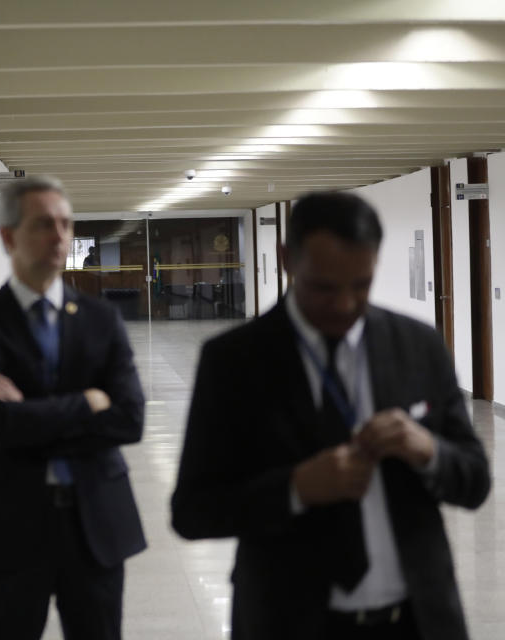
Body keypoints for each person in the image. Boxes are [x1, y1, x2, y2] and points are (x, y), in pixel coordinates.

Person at [171, 191, 490, 640]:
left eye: (361, 284)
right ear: (287, 260)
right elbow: (193, 511)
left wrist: (428, 450)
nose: (343, 304)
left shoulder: (418, 345)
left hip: (420, 618)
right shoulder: (233, 361)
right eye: (323, 286)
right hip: (289, 620)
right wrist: (296, 488)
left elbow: (475, 482)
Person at [0, 175, 147, 640]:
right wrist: (89, 402)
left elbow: (130, 419)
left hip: (93, 518)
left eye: (65, 224)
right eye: (43, 225)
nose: (59, 236)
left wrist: (32, 412)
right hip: (7, 523)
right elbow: (1, 427)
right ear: (9, 236)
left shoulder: (101, 319)